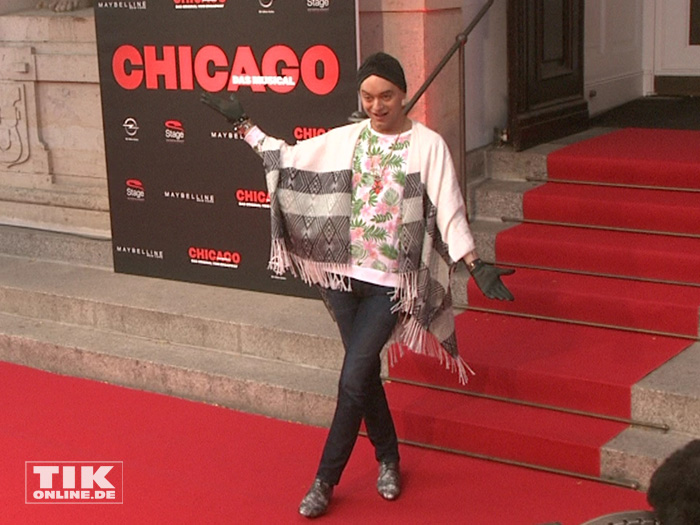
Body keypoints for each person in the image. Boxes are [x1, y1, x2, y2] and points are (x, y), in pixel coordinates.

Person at [201, 52, 514, 519]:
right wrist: (245, 124)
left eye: (386, 95)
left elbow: (449, 207)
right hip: (342, 280)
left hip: (391, 284)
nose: (376, 105)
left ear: (403, 93)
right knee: (362, 377)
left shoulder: (428, 146)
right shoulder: (348, 138)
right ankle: (388, 458)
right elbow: (287, 158)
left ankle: (325, 481)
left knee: (351, 377)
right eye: (367, 96)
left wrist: (474, 261)